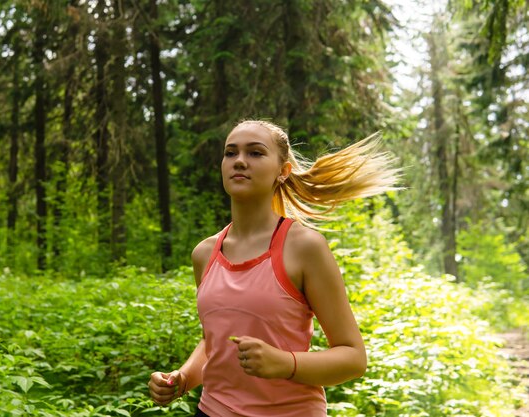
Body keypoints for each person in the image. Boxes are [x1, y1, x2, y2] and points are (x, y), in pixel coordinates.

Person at [148, 120, 399, 417]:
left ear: (283, 171)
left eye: (255, 153)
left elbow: (353, 358)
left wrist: (285, 363)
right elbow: (214, 341)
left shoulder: (304, 247)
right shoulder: (204, 253)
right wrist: (185, 378)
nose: (239, 161)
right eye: (231, 153)